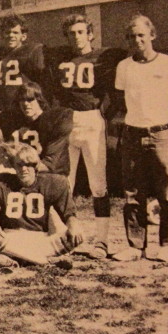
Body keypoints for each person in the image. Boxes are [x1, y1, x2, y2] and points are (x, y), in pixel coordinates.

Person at [46, 14, 126, 259]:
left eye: (81, 32)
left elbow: (115, 89)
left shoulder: (105, 57)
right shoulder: (60, 58)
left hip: (91, 120)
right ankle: (64, 235)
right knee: (63, 182)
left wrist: (105, 114)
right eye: (72, 33)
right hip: (67, 121)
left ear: (90, 34)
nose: (77, 37)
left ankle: (101, 241)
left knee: (97, 183)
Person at [114, 14, 168, 263]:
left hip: (161, 134)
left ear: (152, 36)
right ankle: (136, 246)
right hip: (132, 135)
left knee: (167, 193)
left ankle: (166, 245)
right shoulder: (124, 67)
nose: (137, 40)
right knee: (133, 194)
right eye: (132, 36)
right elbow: (122, 102)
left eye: (141, 35)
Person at [0, 142, 84, 266]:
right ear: (13, 165)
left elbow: (68, 213)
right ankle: (44, 260)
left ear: (36, 166)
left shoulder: (53, 183)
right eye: (20, 164)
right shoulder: (0, 183)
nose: (24, 169)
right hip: (12, 237)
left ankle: (19, 257)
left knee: (78, 236)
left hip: (40, 239)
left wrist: (73, 224)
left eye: (29, 165)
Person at [0, 15, 46, 169]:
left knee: (21, 149)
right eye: (7, 32)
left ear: (24, 36)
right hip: (0, 109)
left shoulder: (31, 51)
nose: (11, 36)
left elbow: (40, 81)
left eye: (15, 32)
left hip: (21, 110)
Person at [0, 82, 72, 175]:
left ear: (39, 100)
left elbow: (50, 164)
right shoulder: (12, 120)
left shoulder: (53, 120)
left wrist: (21, 169)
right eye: (22, 100)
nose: (26, 104)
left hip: (50, 175)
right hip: (25, 172)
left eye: (30, 99)